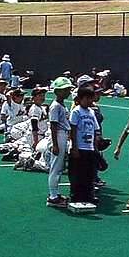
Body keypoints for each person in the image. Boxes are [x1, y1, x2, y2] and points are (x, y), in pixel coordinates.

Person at [68, 86, 101, 204]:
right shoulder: (76, 111)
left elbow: (95, 130)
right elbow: (73, 129)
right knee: (77, 173)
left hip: (89, 148)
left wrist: (95, 147)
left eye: (91, 98)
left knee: (89, 173)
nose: (89, 101)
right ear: (80, 99)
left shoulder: (91, 112)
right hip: (79, 147)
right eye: (87, 98)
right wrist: (74, 147)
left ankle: (88, 195)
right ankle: (76, 195)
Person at [46, 77, 74, 208]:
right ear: (57, 91)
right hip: (59, 135)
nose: (68, 92)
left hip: (63, 135)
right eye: (65, 90)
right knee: (56, 167)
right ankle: (53, 196)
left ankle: (55, 194)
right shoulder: (55, 106)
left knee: (59, 167)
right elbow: (53, 125)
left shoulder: (61, 105)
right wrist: (55, 145)